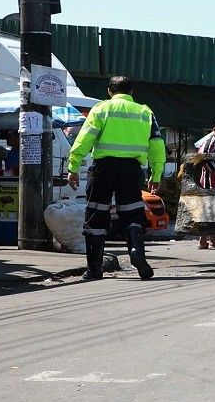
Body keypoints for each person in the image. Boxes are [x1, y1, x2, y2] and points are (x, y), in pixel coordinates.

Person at [67, 75, 165, 281]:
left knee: (96, 214)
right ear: (131, 92)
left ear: (109, 92)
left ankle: (95, 269)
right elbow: (157, 145)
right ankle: (136, 252)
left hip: (103, 168)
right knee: (132, 213)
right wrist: (156, 174)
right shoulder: (145, 112)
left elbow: (84, 138)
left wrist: (73, 166)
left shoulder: (101, 109)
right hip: (132, 169)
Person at [193, 119, 215, 251]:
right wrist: (214, 170)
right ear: (214, 129)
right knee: (212, 211)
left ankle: (203, 241)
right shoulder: (211, 141)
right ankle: (212, 241)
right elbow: (202, 157)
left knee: (208, 212)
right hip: (209, 182)